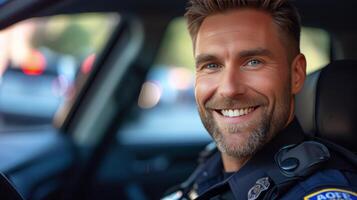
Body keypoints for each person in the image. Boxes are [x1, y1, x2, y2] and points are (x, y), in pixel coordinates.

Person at [162, 0, 357, 199]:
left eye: (253, 62)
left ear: (296, 74)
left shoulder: (317, 191)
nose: (229, 89)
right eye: (211, 65)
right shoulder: (210, 167)